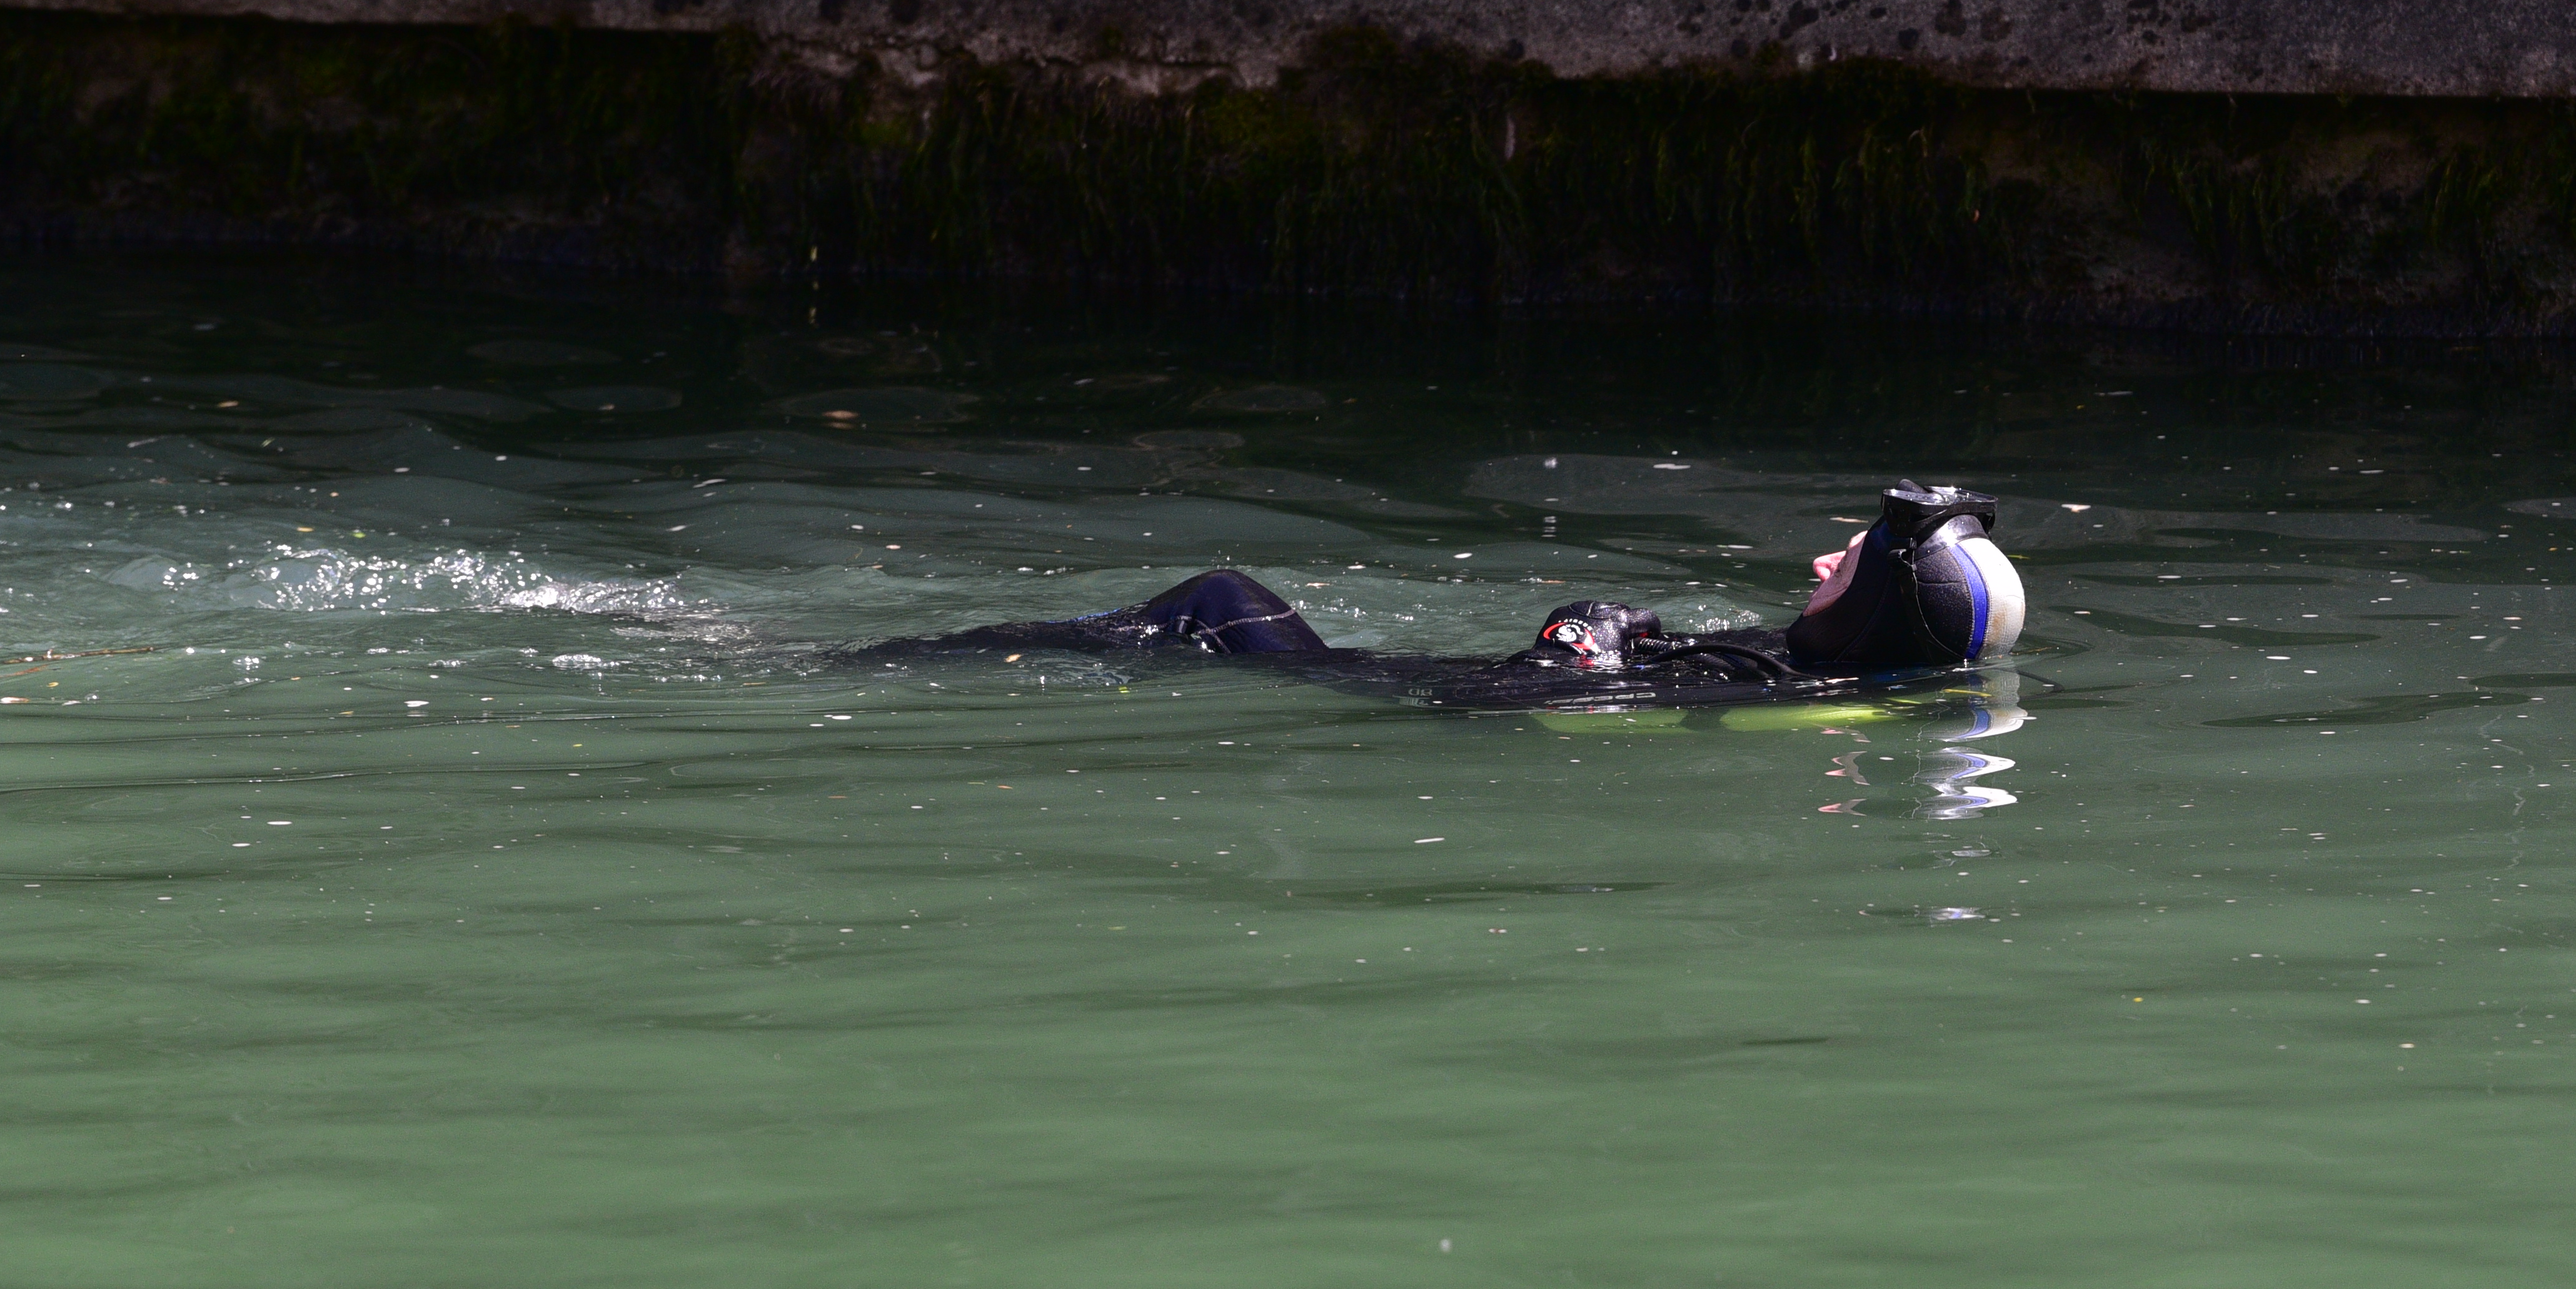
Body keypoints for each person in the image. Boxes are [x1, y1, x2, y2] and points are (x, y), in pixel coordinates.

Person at [841, 480, 2025, 709]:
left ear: (1873, 608)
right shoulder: (1832, 681)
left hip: (1400, 694)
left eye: (1852, 563)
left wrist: (1581, 642)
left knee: (1217, 594)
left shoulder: (1753, 685)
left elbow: (1537, 704)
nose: (1825, 561)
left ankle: (880, 661)